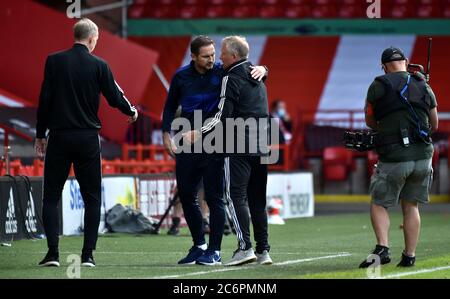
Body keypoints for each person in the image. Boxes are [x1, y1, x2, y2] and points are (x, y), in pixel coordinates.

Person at [35, 18, 138, 267]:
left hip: (59, 136)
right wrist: (131, 112)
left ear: (76, 35)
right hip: (88, 139)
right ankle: (87, 256)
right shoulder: (99, 64)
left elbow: (45, 99)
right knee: (91, 198)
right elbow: (115, 96)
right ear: (92, 39)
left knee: (50, 197)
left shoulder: (54, 61)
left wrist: (40, 135)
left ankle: (52, 254)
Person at [162, 36, 266, 266]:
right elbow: (169, 106)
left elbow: (249, 72)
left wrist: (263, 69)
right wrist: (166, 134)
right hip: (187, 141)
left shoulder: (223, 72)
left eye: (214, 54)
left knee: (214, 197)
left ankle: (215, 249)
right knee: (187, 195)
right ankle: (199, 244)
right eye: (206, 56)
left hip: (215, 142)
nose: (213, 59)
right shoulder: (181, 77)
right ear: (194, 57)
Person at [359, 47, 438, 268]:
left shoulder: (378, 85)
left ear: (383, 66)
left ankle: (382, 248)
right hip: (423, 156)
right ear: (406, 61)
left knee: (379, 202)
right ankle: (409, 256)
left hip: (394, 156)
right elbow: (435, 124)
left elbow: (370, 120)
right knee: (411, 205)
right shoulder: (423, 84)